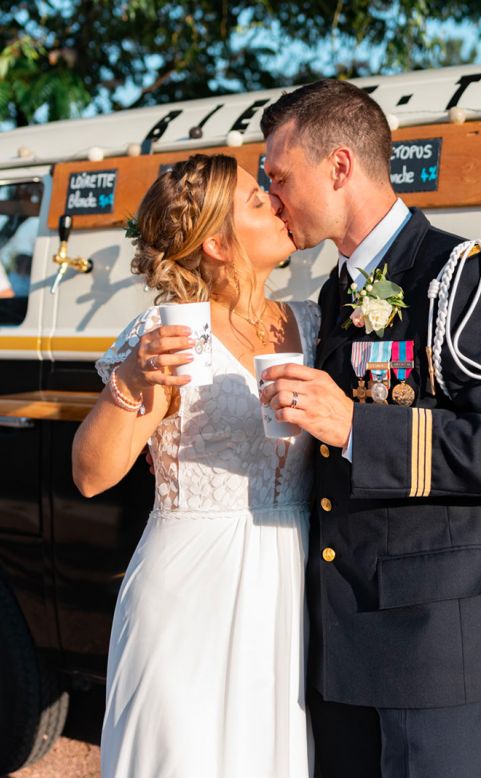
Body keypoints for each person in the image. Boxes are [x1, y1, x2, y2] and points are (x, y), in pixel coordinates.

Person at [260, 80, 481, 778]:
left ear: (339, 167)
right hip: (342, 645)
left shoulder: (464, 276)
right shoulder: (335, 294)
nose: (272, 197)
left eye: (279, 177)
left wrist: (359, 428)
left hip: (433, 657)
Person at [72, 154, 316, 778]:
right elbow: (92, 475)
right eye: (258, 202)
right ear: (216, 242)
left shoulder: (313, 322)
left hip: (287, 586)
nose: (276, 203)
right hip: (188, 591)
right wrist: (130, 380)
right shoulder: (169, 335)